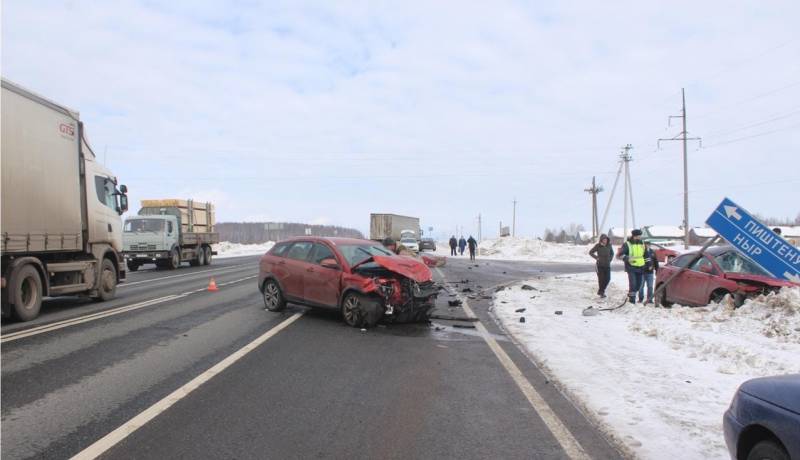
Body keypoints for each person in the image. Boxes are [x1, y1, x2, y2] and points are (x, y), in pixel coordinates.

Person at [618, 229, 646, 304]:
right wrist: (627, 259)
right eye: (639, 236)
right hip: (631, 267)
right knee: (633, 284)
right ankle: (632, 301)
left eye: (640, 236)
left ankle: (631, 294)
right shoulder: (627, 244)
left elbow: (645, 254)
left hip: (640, 267)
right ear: (635, 236)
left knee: (639, 285)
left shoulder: (642, 243)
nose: (640, 237)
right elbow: (620, 255)